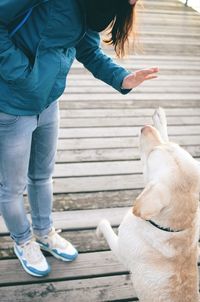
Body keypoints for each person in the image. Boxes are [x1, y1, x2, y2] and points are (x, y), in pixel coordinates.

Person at [0, 0, 159, 277]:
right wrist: (20, 74)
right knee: (12, 187)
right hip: (13, 104)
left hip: (49, 100)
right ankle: (23, 241)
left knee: (42, 177)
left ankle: (44, 232)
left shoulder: (95, 5)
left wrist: (122, 78)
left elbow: (87, 49)